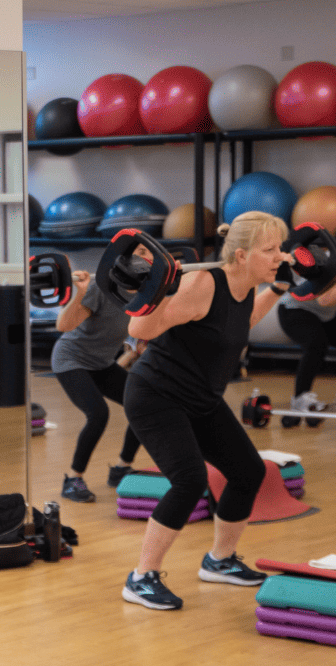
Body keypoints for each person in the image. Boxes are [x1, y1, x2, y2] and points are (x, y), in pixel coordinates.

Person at [120, 211, 290, 611]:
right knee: (189, 480)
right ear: (242, 255)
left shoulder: (246, 285)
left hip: (201, 399)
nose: (280, 256)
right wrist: (155, 290)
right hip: (156, 395)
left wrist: (280, 288)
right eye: (271, 250)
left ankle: (219, 560)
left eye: (280, 248)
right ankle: (141, 577)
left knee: (249, 472)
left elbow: (240, 322)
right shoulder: (202, 283)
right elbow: (138, 332)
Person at [50, 249, 146, 503]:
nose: (140, 257)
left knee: (144, 405)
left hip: (102, 363)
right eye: (135, 252)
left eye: (146, 252)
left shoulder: (146, 292)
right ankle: (73, 479)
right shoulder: (101, 288)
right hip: (72, 359)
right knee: (98, 414)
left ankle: (121, 468)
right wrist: (79, 293)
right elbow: (63, 326)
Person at [277, 218, 336, 414]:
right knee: (316, 344)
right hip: (296, 311)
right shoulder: (326, 260)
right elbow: (324, 299)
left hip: (325, 315)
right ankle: (300, 398)